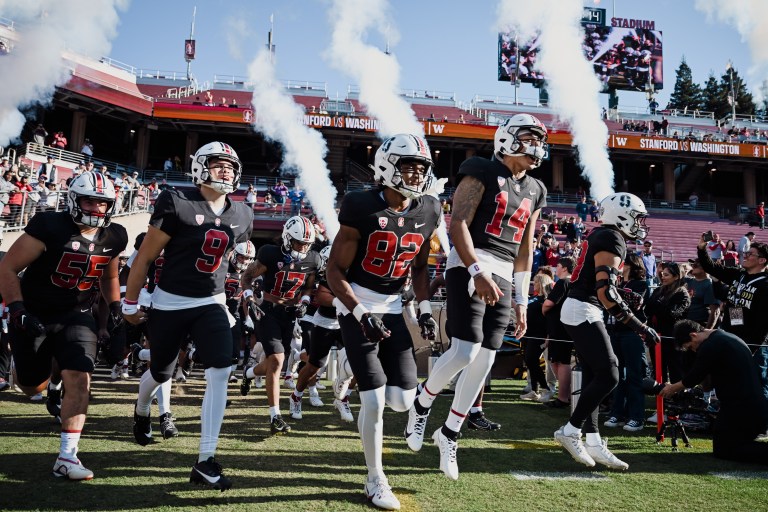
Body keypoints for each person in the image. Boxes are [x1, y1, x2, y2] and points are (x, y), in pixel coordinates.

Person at [404, 114, 548, 481]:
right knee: (466, 350)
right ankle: (423, 400)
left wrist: (520, 298)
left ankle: (449, 432)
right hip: (471, 261)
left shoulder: (535, 189)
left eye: (539, 140)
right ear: (507, 139)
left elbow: (525, 249)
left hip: (502, 272)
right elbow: (458, 224)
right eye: (528, 138)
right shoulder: (480, 171)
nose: (535, 147)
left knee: (484, 361)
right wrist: (476, 271)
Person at [123, 142, 253, 491]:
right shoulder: (176, 201)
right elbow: (146, 257)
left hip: (210, 302)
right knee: (162, 371)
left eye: (230, 165)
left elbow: (230, 259)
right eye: (217, 163)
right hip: (169, 303)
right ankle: (141, 407)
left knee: (222, 368)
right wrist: (131, 302)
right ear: (199, 168)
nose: (226, 170)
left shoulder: (243, 214)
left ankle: (205, 460)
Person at [326, 133, 441, 510]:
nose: (414, 175)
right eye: (407, 166)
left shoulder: (428, 209)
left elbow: (421, 267)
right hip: (357, 303)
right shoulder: (360, 204)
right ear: (386, 167)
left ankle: (351, 366)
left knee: (402, 401)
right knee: (373, 401)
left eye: (420, 168)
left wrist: (424, 310)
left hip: (393, 306)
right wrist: (360, 313)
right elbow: (334, 270)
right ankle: (375, 478)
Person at [0, 171, 127, 480]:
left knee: (80, 375)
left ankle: (67, 457)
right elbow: (8, 267)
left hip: (77, 314)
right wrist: (16, 308)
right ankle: (36, 375)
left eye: (103, 204)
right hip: (35, 313)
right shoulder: (49, 227)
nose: (97, 209)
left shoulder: (114, 235)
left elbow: (109, 276)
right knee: (32, 385)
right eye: (90, 201)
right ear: (73, 199)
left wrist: (114, 308)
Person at [554, 192, 659, 470]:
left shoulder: (602, 235)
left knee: (594, 375)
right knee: (611, 374)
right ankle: (570, 430)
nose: (639, 224)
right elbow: (605, 292)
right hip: (582, 308)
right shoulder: (613, 238)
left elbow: (600, 284)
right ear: (622, 215)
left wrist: (621, 292)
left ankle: (593, 439)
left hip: (580, 306)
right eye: (637, 218)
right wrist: (640, 326)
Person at [238, 216, 321, 434]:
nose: (303, 247)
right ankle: (275, 415)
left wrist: (303, 303)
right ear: (286, 238)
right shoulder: (269, 253)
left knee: (277, 365)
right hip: (267, 310)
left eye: (306, 244)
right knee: (277, 359)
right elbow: (246, 277)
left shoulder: (313, 259)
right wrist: (248, 299)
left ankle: (248, 374)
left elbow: (308, 288)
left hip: (290, 314)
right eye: (298, 242)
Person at [660, 320, 768, 463]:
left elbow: (694, 376)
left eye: (690, 347)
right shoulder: (725, 338)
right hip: (746, 405)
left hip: (743, 408)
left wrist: (671, 388)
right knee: (722, 444)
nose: (693, 351)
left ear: (693, 335)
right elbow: (707, 381)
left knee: (727, 449)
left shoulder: (712, 345)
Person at [696, 238, 768, 399]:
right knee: (730, 380)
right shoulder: (739, 275)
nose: (745, 255)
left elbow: (763, 323)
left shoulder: (764, 285)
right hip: (732, 336)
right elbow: (711, 267)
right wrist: (702, 248)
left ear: (762, 260)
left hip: (753, 345)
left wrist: (751, 348)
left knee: (757, 383)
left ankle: (763, 420)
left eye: (750, 254)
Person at [603, 252, 649, 432]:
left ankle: (636, 416)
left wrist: (610, 288)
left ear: (631, 265)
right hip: (615, 332)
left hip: (632, 333)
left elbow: (636, 302)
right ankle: (617, 412)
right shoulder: (619, 283)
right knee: (617, 375)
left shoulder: (641, 284)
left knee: (634, 375)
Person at [644, 262, 691, 385]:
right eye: (662, 274)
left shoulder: (682, 293)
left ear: (676, 277)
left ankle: (677, 396)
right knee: (658, 368)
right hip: (656, 335)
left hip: (672, 337)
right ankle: (661, 393)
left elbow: (671, 314)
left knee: (675, 368)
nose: (663, 277)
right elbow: (648, 309)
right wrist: (658, 306)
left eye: (666, 275)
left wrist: (658, 306)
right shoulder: (658, 291)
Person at [542, 256, 575, 409]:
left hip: (561, 329)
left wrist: (544, 309)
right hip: (560, 328)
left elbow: (549, 303)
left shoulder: (563, 282)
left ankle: (563, 398)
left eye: (559, 265)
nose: (556, 269)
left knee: (561, 362)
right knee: (556, 362)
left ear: (565, 268)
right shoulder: (571, 283)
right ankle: (565, 396)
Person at [519, 273, 555, 402]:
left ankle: (546, 388)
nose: (534, 284)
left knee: (531, 360)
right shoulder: (534, 298)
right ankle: (534, 390)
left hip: (539, 335)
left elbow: (550, 320)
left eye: (536, 282)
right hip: (528, 334)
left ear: (542, 283)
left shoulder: (548, 300)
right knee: (529, 361)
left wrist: (548, 337)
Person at [685, 258, 720, 329]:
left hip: (699, 324)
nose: (693, 266)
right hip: (686, 323)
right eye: (693, 264)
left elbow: (715, 311)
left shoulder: (710, 285)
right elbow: (670, 278)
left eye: (696, 265)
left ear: (706, 268)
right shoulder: (688, 281)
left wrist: (706, 331)